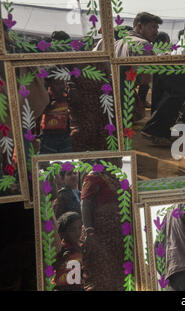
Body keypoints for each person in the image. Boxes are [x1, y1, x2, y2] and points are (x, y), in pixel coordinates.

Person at [80, 158, 125, 291]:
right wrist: (90, 231)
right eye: (118, 159)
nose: (120, 162)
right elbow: (85, 204)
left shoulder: (117, 179)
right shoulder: (94, 177)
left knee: (116, 277)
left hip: (116, 239)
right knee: (100, 277)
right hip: (100, 237)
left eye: (121, 159)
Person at [38, 74, 72, 154]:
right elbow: (40, 110)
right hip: (48, 137)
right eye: (56, 84)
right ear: (50, 86)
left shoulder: (68, 98)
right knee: (44, 162)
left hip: (65, 137)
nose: (59, 87)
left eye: (61, 83)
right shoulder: (46, 98)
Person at [53, 212, 83, 291]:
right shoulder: (59, 250)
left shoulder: (81, 248)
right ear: (62, 233)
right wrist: (61, 260)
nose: (78, 232)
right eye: (72, 229)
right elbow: (48, 269)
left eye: (79, 228)